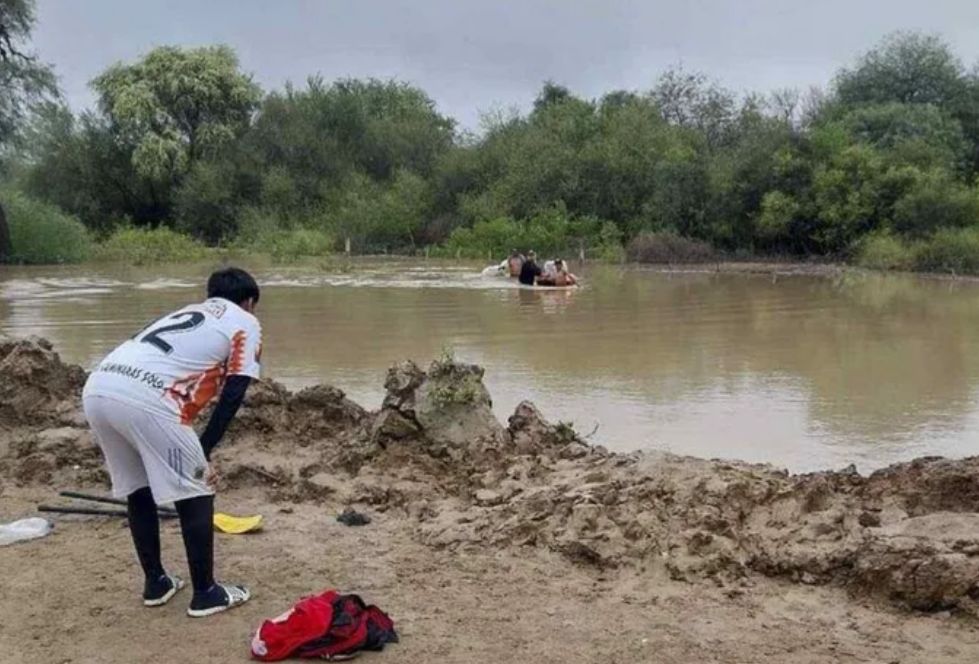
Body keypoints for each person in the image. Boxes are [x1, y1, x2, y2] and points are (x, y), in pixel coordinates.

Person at [82, 267, 262, 618]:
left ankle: (156, 583)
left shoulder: (186, 311)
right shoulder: (245, 321)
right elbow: (236, 388)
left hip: (99, 387)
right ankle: (206, 593)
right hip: (149, 399)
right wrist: (204, 448)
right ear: (250, 301)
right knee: (196, 490)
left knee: (139, 488)